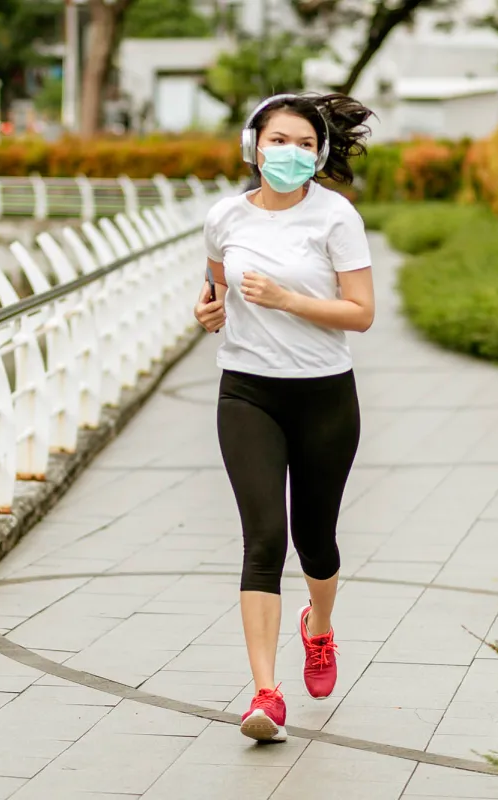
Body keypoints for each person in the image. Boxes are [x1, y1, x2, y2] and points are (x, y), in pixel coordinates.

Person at [194, 93, 375, 743]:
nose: (290, 153)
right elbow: (215, 287)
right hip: (248, 393)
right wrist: (208, 311)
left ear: (320, 153)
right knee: (265, 537)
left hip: (324, 394)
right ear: (253, 145)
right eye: (279, 140)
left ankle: (318, 628)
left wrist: (289, 299)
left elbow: (360, 312)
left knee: (316, 540)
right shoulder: (224, 217)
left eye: (304, 144)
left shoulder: (336, 218)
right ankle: (266, 694)